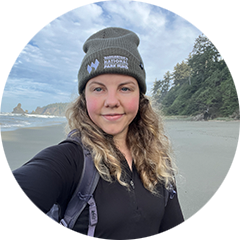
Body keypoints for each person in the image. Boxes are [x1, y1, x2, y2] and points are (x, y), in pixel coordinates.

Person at [12, 27, 184, 239]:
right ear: (84, 97)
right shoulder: (70, 160)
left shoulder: (158, 161)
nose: (111, 101)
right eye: (98, 89)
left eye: (125, 88)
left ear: (140, 96)